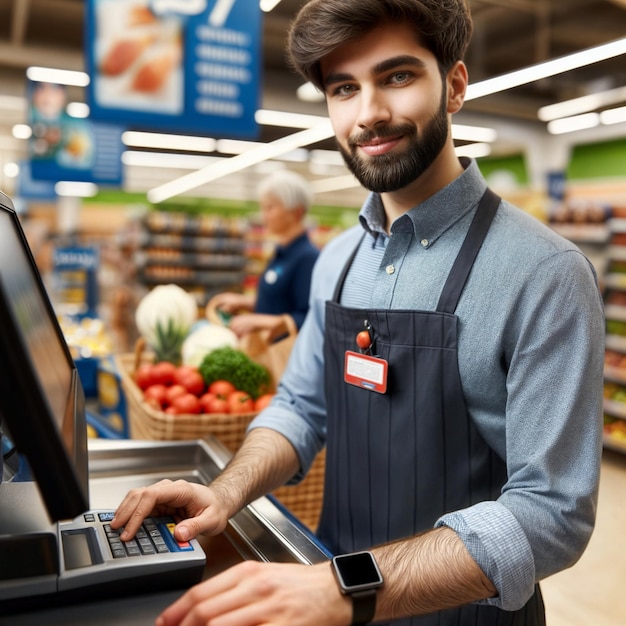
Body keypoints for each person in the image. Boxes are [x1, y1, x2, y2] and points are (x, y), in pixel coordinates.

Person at [112, 1, 605, 625]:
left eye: (397, 76)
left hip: (461, 613)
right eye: (344, 88)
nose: (368, 113)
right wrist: (224, 491)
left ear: (453, 85)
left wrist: (346, 588)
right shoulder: (338, 260)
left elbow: (551, 514)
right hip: (327, 585)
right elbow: (301, 406)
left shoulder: (544, 273)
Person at [208, 169, 319, 339]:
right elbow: (280, 304)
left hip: (285, 358)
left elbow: (308, 318)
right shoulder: (281, 253)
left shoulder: (307, 258)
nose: (264, 216)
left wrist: (257, 321)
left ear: (296, 212)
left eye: (270, 208)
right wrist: (244, 302)